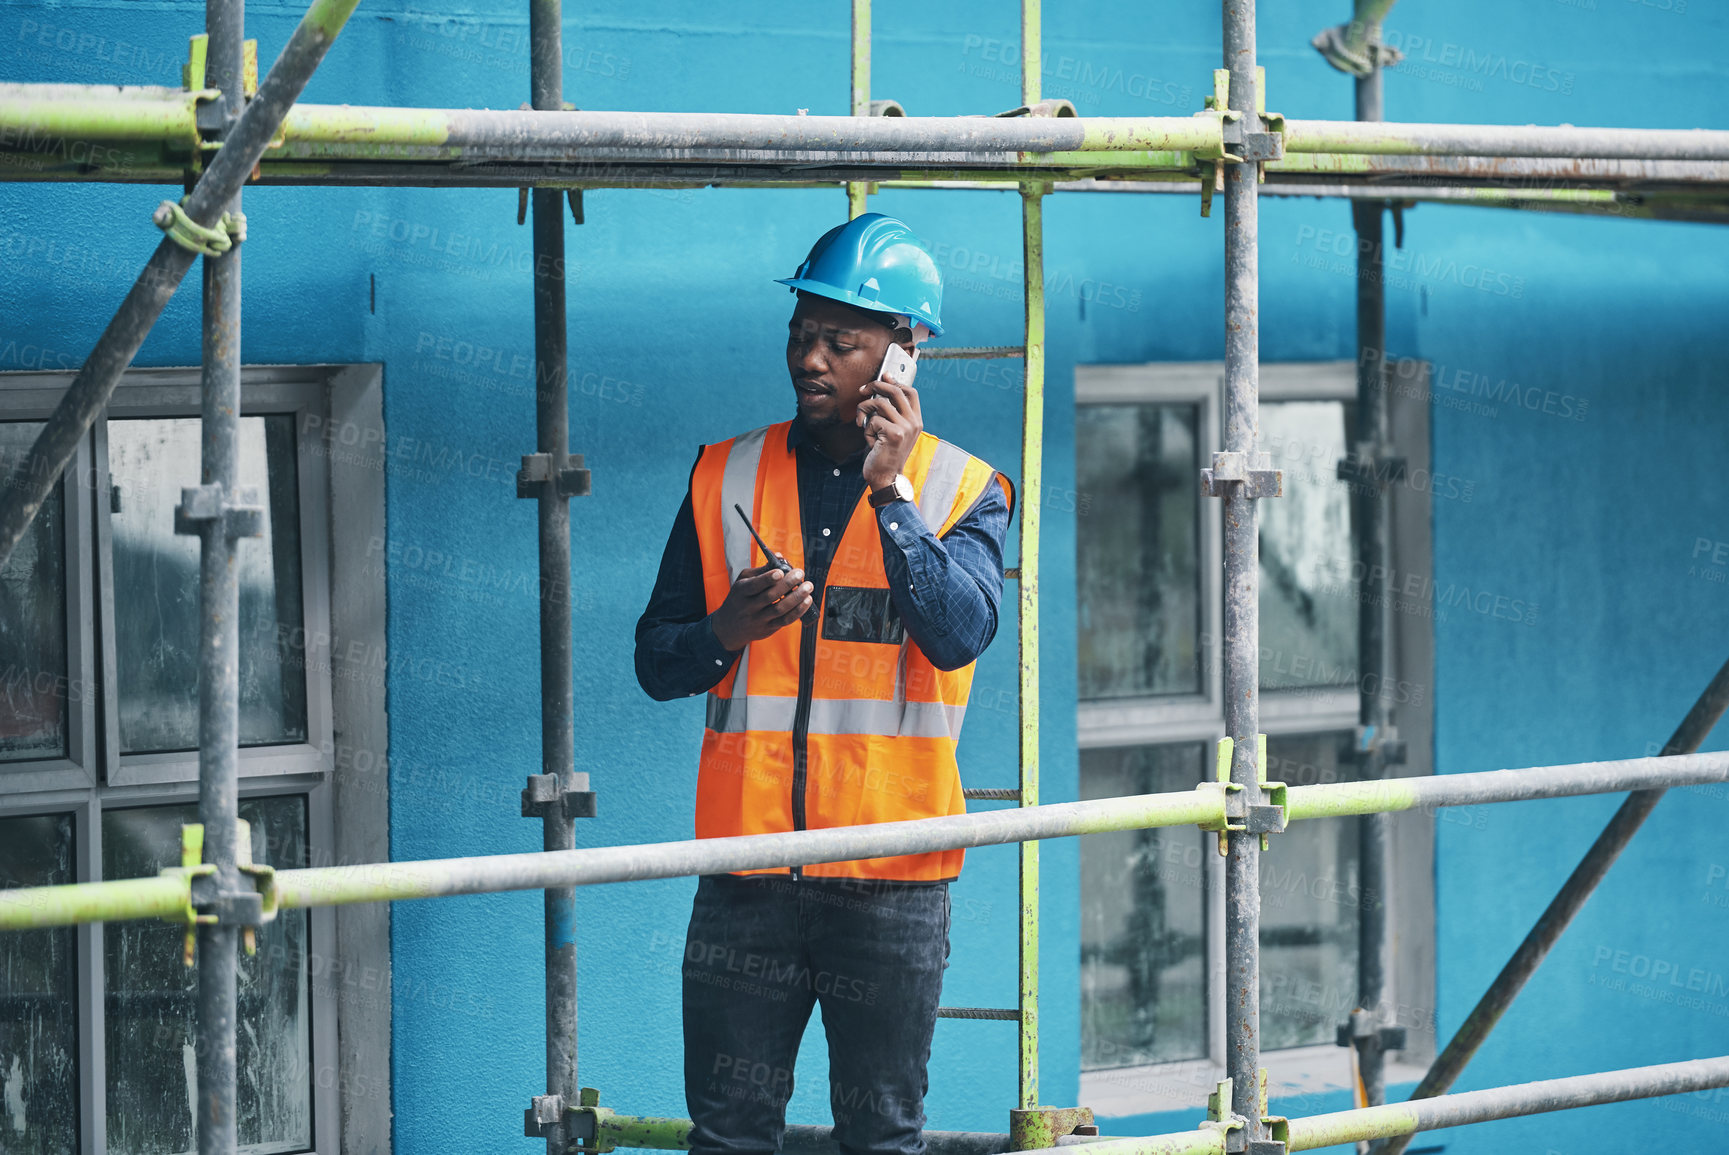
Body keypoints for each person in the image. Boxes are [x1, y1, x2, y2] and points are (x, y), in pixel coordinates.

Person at [634, 212, 1015, 1155]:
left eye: (840, 341)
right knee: (727, 1135)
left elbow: (960, 633)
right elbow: (655, 659)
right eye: (801, 333)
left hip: (890, 883)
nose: (810, 358)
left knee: (880, 1137)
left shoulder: (964, 489)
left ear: (902, 357)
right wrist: (729, 628)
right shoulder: (725, 473)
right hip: (745, 876)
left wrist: (890, 496)